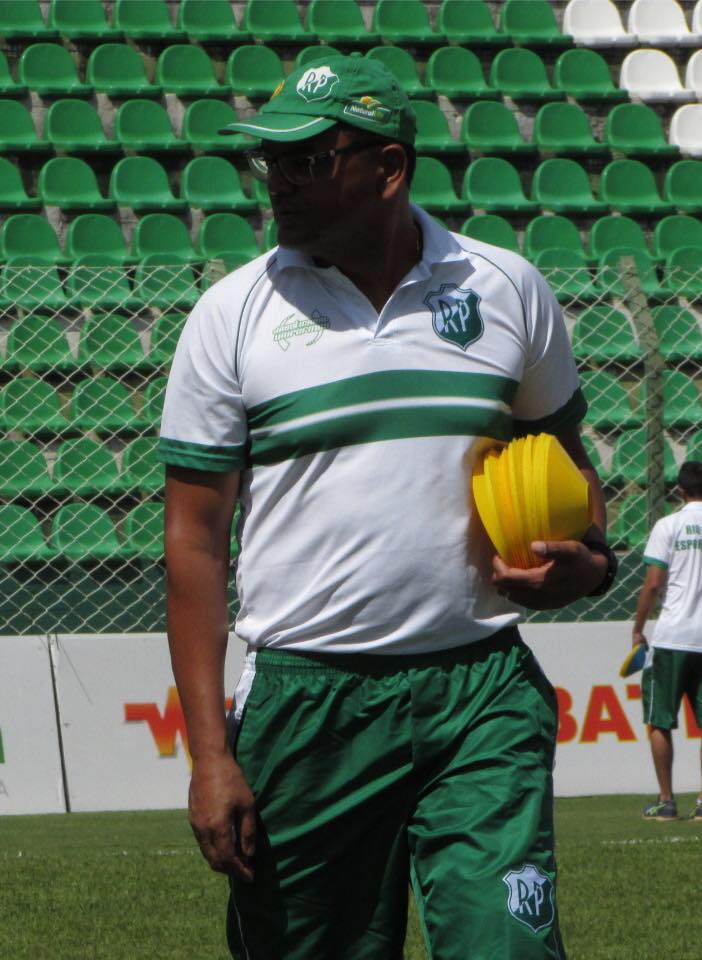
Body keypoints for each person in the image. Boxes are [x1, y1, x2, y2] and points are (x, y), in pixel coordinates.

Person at [159, 54, 615, 960]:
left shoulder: (507, 289)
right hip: (307, 701)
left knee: (509, 949)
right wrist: (211, 756)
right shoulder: (231, 314)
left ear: (390, 168)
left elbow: (569, 468)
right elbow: (195, 542)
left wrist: (590, 565)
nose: (280, 182)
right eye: (270, 162)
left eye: (309, 159)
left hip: (479, 690)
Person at [632, 460, 702, 823]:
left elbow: (654, 583)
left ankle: (666, 800)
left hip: (673, 635)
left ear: (679, 491)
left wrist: (638, 626)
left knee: (660, 719)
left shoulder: (669, 525)